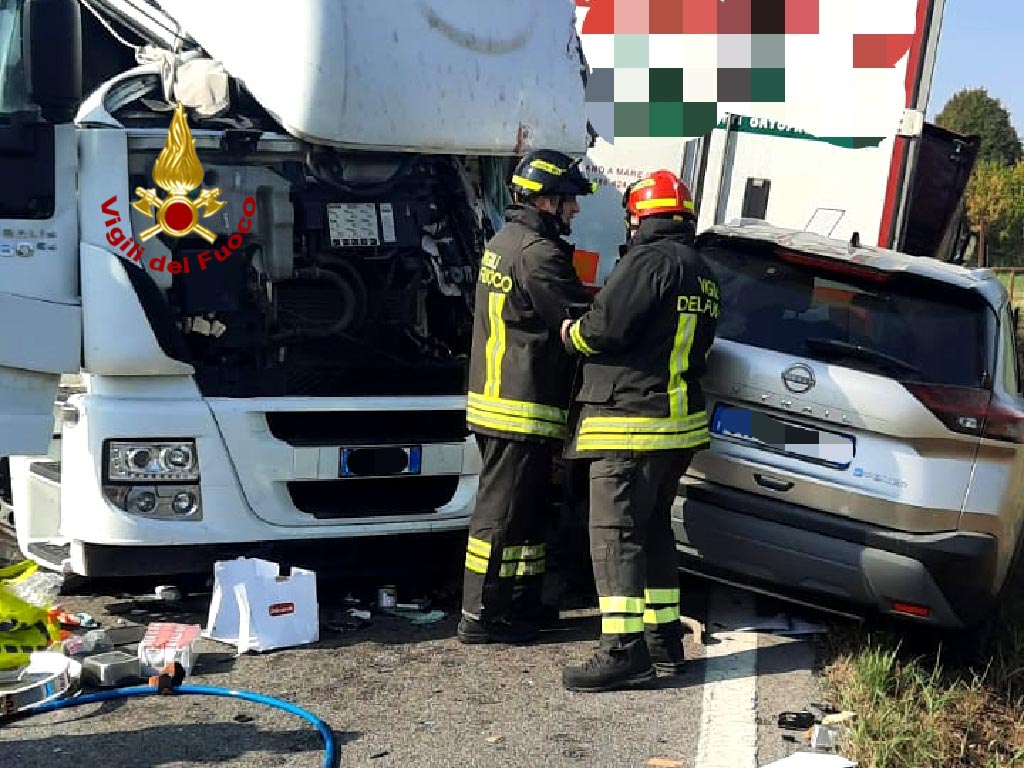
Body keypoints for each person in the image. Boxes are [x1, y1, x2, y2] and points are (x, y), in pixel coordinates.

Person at [558, 170, 720, 691]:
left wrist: (570, 333)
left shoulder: (647, 261)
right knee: (651, 533)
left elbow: (604, 328)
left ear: (640, 216)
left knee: (614, 534)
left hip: (629, 421)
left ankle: (623, 651)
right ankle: (663, 640)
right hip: (676, 427)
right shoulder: (702, 271)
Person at [458, 149, 598, 645]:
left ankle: (518, 602)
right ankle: (479, 612)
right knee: (500, 513)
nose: (575, 211)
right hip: (521, 405)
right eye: (569, 201)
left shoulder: (504, 241)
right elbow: (583, 322)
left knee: (525, 513)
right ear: (544, 200)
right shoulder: (539, 253)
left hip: (504, 400)